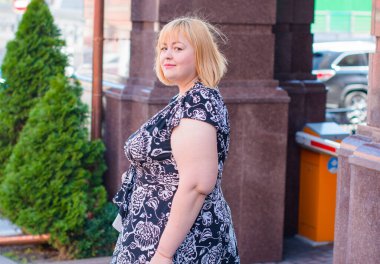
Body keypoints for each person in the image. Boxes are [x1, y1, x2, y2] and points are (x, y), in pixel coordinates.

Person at [111, 16, 240, 264]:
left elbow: (196, 185)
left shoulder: (198, 102)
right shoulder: (183, 100)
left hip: (179, 243)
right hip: (155, 235)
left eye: (178, 48)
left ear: (201, 55)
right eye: (163, 48)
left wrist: (163, 253)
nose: (167, 55)